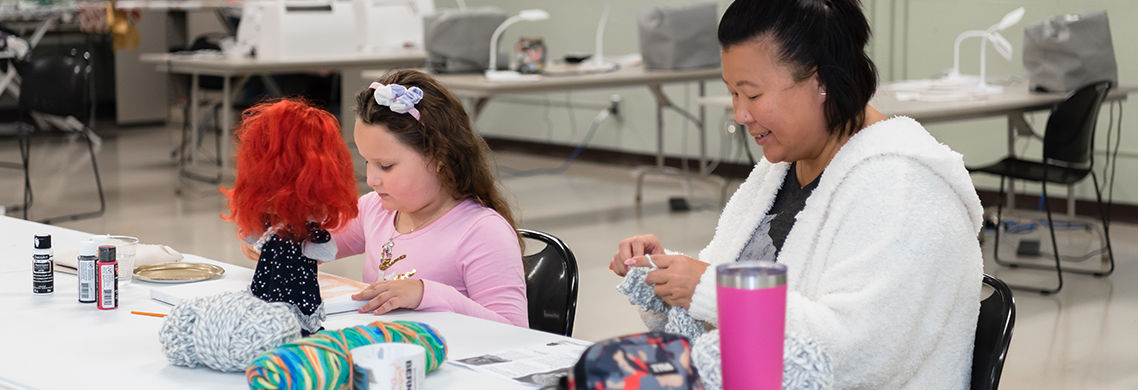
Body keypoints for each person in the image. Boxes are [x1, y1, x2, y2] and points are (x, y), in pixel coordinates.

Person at [609, 0, 984, 388]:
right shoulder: (781, 168)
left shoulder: (903, 187)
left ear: (820, 81)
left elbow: (855, 355)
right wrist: (669, 278)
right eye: (733, 94)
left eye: (752, 95)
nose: (740, 114)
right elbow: (716, 303)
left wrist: (713, 289)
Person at [337, 69, 528, 327]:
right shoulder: (375, 209)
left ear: (439, 157)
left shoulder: (482, 232)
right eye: (368, 162)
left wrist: (427, 294)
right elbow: (310, 244)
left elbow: (515, 331)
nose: (371, 180)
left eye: (386, 166)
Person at [222, 98, 360, 335]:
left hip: (293, 269)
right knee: (275, 293)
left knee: (288, 294)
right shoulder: (276, 218)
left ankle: (282, 325)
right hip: (283, 267)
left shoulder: (307, 224)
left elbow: (324, 248)